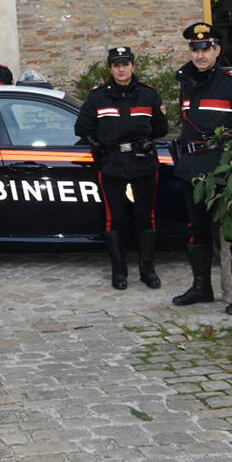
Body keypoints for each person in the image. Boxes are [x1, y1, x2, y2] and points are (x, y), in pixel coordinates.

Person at [169, 23, 232, 314]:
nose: (200, 54)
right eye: (195, 49)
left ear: (217, 50)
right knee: (196, 231)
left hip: (224, 169)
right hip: (193, 167)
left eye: (205, 48)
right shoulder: (186, 81)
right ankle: (201, 287)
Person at [74, 46, 168, 290]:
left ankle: (147, 270)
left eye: (125, 64)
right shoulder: (97, 96)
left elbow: (161, 128)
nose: (121, 69)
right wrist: (98, 146)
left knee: (145, 217)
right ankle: (119, 271)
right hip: (112, 164)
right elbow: (82, 128)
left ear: (133, 66)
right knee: (113, 219)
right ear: (110, 68)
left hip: (143, 163)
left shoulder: (149, 95)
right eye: (116, 65)